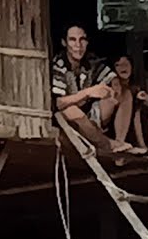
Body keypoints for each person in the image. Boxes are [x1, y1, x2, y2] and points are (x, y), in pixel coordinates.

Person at [51, 25, 142, 156]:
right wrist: (88, 92)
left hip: (90, 116)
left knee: (125, 93)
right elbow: (58, 103)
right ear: (64, 43)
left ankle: (119, 142)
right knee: (72, 111)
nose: (78, 45)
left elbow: (109, 75)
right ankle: (107, 145)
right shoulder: (59, 66)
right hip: (70, 121)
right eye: (72, 40)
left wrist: (115, 84)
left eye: (82, 40)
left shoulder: (90, 61)